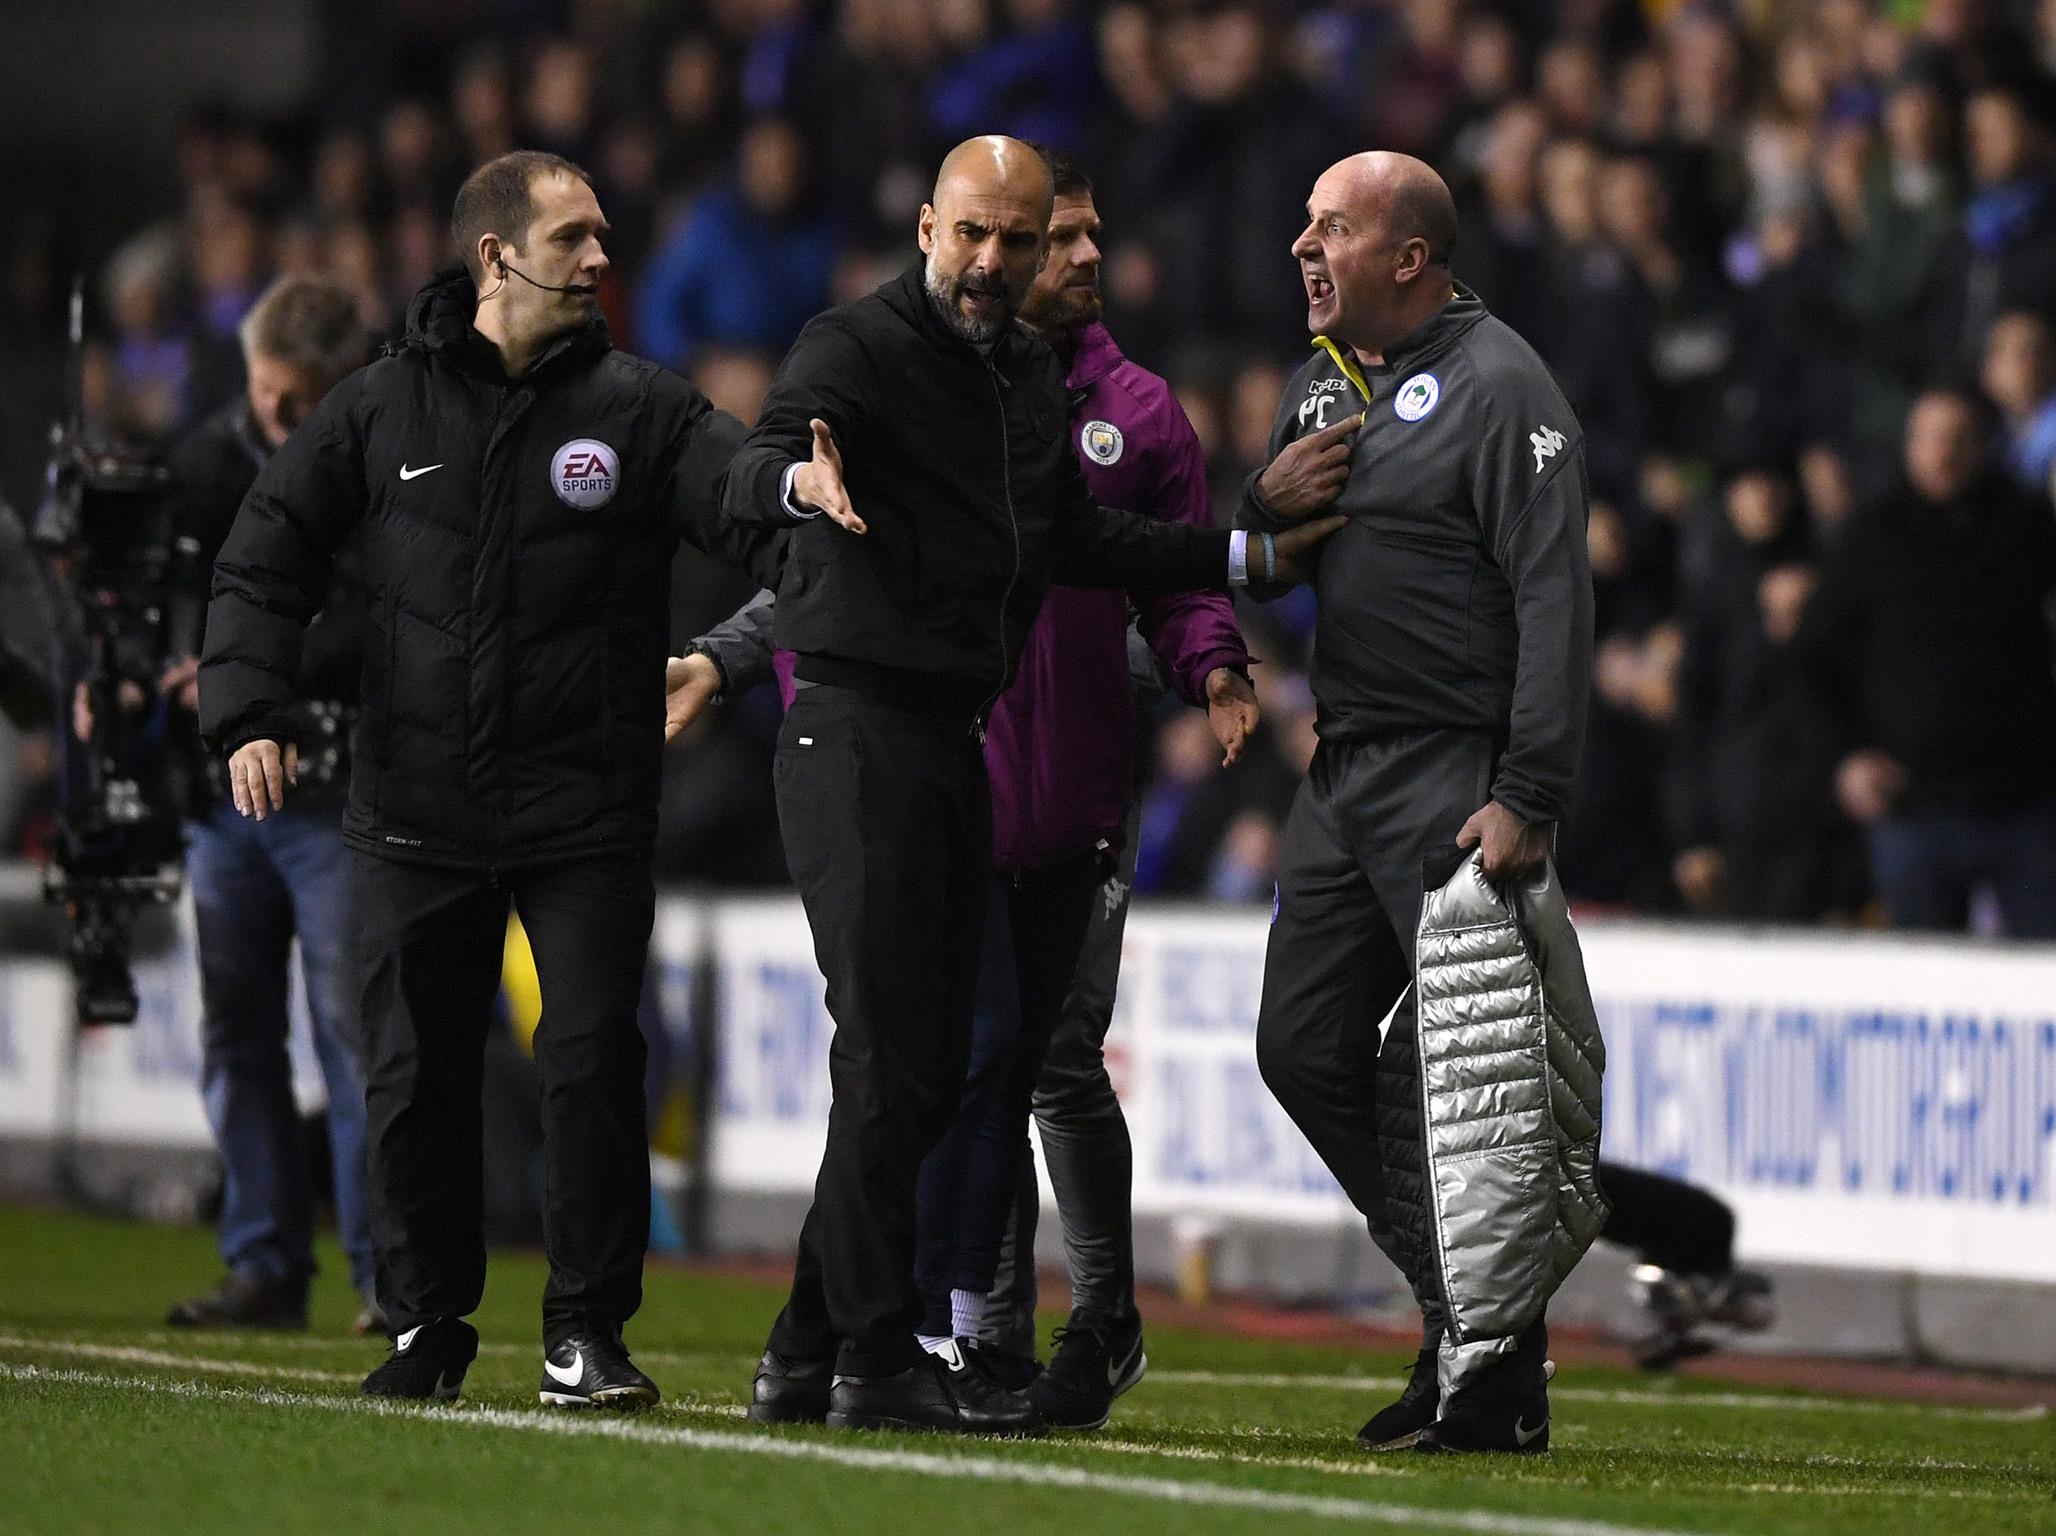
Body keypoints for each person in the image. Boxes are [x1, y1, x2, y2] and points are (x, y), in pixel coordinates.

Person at [718, 134, 1338, 1437]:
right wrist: (790, 483)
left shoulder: (1019, 383)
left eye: (1023, 238)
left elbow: (1082, 541)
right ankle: (886, 1346)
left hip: (962, 748)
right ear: (930, 226)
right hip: (859, 731)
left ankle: (818, 1346)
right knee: (914, 1056)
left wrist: (1241, 549)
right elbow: (757, 465)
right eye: (983, 236)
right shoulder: (858, 349)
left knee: (942, 1064)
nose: (1001, 262)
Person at [200, 150, 783, 1409]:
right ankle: (425, 1326)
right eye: (575, 238)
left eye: (603, 237)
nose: (599, 261)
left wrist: (795, 482)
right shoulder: (374, 409)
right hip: (413, 807)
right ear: (495, 258)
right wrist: (245, 707)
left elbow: (741, 494)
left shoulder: (643, 408)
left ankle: (585, 1331)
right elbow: (263, 556)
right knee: (413, 1077)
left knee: (589, 1062)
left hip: (584, 808)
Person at [1238, 152, 1595, 1454]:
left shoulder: (1504, 387)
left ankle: (1498, 1378)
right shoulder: (1322, 383)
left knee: (1474, 1082)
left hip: (1456, 776)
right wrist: (1255, 510)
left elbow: (1558, 599)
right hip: (1342, 774)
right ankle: (1460, 1309)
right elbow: (1261, 570)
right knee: (1301, 1044)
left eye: (1333, 226)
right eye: (1306, 219)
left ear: (1411, 258)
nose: (1302, 246)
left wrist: (1530, 790)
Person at [157, 275, 380, 1335]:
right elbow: (164, 598)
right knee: (236, 1028)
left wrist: (239, 670)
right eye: (265, 395)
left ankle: (389, 1281)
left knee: (355, 1031)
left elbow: (389, 614)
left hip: (337, 785)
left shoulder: (385, 462)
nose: (279, 420)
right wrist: (165, 667)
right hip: (226, 800)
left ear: (345, 381)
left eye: (299, 400)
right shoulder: (204, 464)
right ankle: (263, 1267)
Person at [1798, 386, 2056, 936]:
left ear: (1985, 446)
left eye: (1960, 439)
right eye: (1932, 438)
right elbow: (1815, 661)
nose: (1945, 453)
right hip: (1911, 812)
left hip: (2024, 806)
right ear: (1909, 445)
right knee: (1927, 989)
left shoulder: (2031, 527)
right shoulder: (1871, 535)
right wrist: (1847, 757)